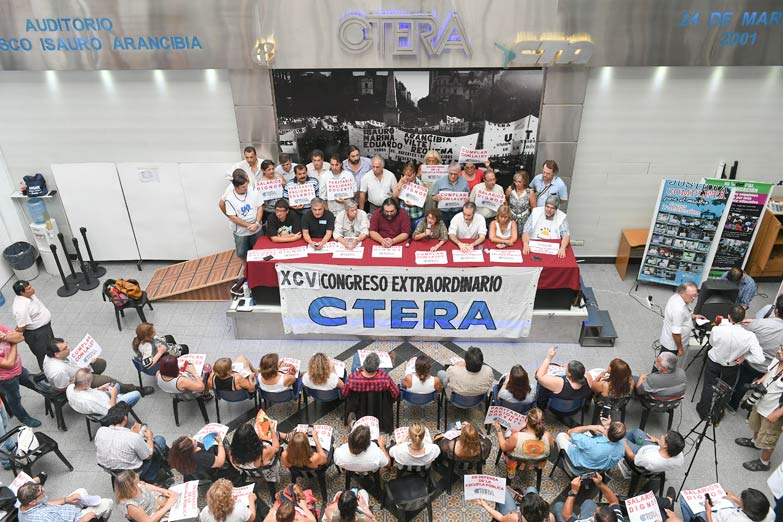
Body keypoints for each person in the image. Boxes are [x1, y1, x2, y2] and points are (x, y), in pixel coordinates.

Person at [696, 305, 764, 421]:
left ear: (728, 316)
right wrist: (745, 357)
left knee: (708, 386)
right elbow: (760, 359)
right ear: (744, 318)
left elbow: (712, 343)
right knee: (725, 390)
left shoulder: (717, 329)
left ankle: (704, 412)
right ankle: (717, 415)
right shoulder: (750, 336)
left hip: (714, 362)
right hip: (731, 366)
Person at [730, 294, 783, 411]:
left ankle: (733, 406)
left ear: (776, 310)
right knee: (761, 391)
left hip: (751, 362)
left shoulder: (760, 323)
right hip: (770, 369)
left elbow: (745, 338)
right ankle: (750, 413)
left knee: (741, 384)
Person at [94, 402, 169, 484]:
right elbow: (148, 456)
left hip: (113, 470)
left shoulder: (101, 431)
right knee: (159, 440)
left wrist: (131, 433)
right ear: (125, 418)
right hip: (133, 472)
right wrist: (149, 437)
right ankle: (152, 475)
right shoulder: (133, 437)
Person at [735, 345, 783, 472]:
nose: (778, 351)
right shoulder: (777, 359)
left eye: (782, 350)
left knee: (769, 439)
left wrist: (777, 414)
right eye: (780, 347)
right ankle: (754, 442)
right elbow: (770, 372)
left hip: (773, 412)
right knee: (756, 425)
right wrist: (761, 380)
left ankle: (764, 463)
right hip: (761, 402)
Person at [45, 337, 149, 395]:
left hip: (79, 369)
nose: (69, 348)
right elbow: (63, 388)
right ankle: (134, 389)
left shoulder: (57, 354)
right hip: (79, 380)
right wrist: (80, 378)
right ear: (57, 354)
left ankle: (96, 380)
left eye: (67, 344)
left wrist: (87, 359)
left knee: (100, 363)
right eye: (65, 348)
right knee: (110, 381)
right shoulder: (58, 371)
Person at [221, 169, 263, 271]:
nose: (246, 188)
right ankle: (247, 270)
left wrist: (257, 223)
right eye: (243, 187)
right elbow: (233, 217)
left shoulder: (253, 190)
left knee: (259, 250)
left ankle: (260, 268)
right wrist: (248, 225)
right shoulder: (229, 198)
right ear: (235, 187)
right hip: (241, 232)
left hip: (257, 228)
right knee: (242, 252)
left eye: (246, 185)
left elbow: (260, 207)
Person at [493, 407, 553, 478]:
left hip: (518, 464)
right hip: (538, 464)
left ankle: (511, 474)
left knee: (508, 433)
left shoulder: (516, 437)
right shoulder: (548, 436)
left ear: (526, 420)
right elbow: (551, 450)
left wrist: (499, 430)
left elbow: (503, 447)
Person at [0, 324, 40, 427]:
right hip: (6, 379)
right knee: (15, 399)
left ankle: (52, 397)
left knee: (35, 382)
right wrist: (13, 342)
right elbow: (9, 364)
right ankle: (23, 417)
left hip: (19, 368)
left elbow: (20, 337)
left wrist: (5, 337)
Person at [17, 481, 113, 522]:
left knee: (81, 491)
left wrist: (66, 499)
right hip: (76, 519)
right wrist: (83, 520)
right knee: (107, 503)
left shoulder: (23, 507)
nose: (44, 490)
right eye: (41, 491)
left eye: (41, 487)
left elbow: (47, 504)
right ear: (32, 502)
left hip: (62, 512)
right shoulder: (45, 518)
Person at [12, 280, 54, 370]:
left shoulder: (29, 295)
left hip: (45, 328)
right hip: (37, 333)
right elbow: (21, 327)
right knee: (43, 355)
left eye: (31, 286)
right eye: (29, 288)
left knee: (52, 346)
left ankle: (56, 362)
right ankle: (47, 372)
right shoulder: (21, 308)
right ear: (21, 293)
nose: (32, 289)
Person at [535, 347, 593, 412]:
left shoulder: (560, 384)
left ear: (570, 374)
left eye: (567, 368)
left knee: (542, 385)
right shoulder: (588, 377)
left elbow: (539, 376)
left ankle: (540, 407)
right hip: (575, 409)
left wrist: (549, 358)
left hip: (556, 410)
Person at [67, 368, 141, 417]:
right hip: (109, 407)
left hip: (101, 398)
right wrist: (114, 395)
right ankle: (121, 415)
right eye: (90, 381)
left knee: (116, 385)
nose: (91, 382)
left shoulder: (70, 387)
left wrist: (99, 388)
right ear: (86, 383)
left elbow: (87, 391)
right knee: (136, 394)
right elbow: (111, 411)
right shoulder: (90, 400)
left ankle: (120, 398)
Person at [555, 421, 626, 471]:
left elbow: (570, 432)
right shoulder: (622, 445)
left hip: (577, 468)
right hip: (597, 471)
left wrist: (590, 427)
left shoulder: (591, 443)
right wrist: (607, 426)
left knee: (562, 435)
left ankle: (566, 465)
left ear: (608, 430)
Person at [660, 282, 704, 363]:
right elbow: (675, 333)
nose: (694, 298)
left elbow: (683, 315)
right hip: (672, 346)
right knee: (665, 366)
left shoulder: (676, 297)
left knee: (662, 363)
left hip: (668, 340)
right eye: (691, 296)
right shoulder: (678, 310)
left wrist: (694, 316)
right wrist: (680, 349)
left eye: (695, 295)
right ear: (682, 293)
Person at [113, 470, 179, 522]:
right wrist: (168, 505)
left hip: (159, 502)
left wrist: (162, 490)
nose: (137, 475)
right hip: (156, 516)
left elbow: (144, 485)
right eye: (135, 477)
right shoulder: (131, 505)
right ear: (131, 485)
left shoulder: (135, 485)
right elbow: (148, 521)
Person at [679, 488, 771, 522]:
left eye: (741, 500)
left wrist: (708, 512)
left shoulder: (736, 520)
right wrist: (734, 498)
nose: (740, 499)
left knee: (684, 499)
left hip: (712, 518)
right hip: (726, 513)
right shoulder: (762, 511)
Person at [556, 475, 623, 522]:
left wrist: (573, 491)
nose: (596, 509)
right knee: (588, 502)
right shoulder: (618, 520)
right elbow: (614, 502)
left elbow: (567, 516)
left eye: (595, 512)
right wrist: (600, 484)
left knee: (558, 506)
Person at [479, 487, 554, 522]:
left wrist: (484, 505)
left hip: (512, 516)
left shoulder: (514, 518)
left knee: (503, 490)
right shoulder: (550, 517)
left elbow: (500, 518)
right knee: (531, 489)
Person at [431, 163, 469, 227]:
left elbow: (467, 195)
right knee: (443, 230)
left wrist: (467, 199)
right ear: (448, 172)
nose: (453, 176)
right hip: (443, 212)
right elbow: (433, 196)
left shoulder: (464, 182)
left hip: (458, 212)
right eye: (451, 173)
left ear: (459, 173)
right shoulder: (440, 181)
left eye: (455, 174)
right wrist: (436, 197)